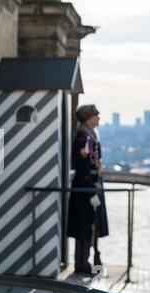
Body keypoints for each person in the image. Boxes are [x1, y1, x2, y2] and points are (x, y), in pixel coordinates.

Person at [67, 104, 109, 275]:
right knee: (83, 227)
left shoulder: (89, 136)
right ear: (88, 119)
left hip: (90, 186)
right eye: (95, 116)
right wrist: (91, 191)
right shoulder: (84, 138)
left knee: (89, 226)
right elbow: (84, 167)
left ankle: (85, 262)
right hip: (86, 187)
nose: (98, 119)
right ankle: (81, 263)